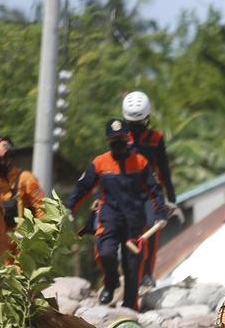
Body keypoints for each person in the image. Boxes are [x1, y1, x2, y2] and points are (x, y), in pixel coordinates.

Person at [67, 118, 166, 310]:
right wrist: (68, 208)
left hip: (134, 221)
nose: (118, 143)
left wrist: (161, 214)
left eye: (121, 139)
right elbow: (83, 188)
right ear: (108, 141)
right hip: (109, 217)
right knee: (105, 253)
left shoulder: (140, 162)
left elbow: (155, 190)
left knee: (132, 265)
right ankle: (111, 282)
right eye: (114, 140)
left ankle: (130, 306)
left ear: (127, 138)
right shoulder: (99, 163)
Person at [122, 91, 178, 287]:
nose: (134, 128)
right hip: (127, 193)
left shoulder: (155, 139)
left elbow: (164, 169)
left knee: (152, 233)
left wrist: (171, 197)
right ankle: (129, 273)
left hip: (151, 194)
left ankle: (147, 274)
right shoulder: (119, 136)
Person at [0, 136, 46, 262]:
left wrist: (36, 235)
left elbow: (42, 207)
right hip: (2, 243)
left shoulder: (26, 179)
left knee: (21, 275)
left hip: (23, 238)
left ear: (9, 159)